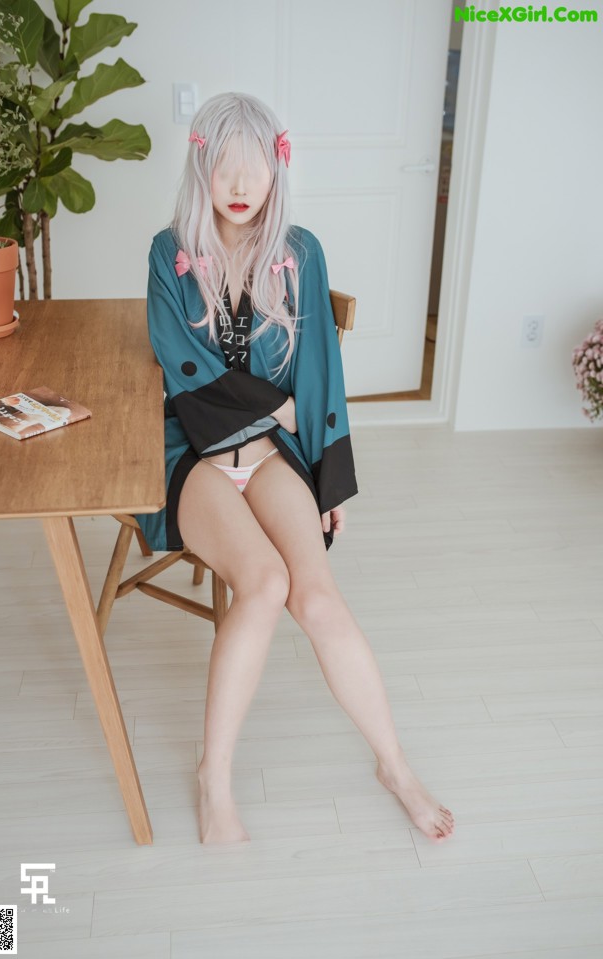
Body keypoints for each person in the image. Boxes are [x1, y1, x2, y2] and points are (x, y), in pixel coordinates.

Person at [135, 92, 455, 845]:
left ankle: (395, 765)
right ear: (201, 168)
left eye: (256, 168)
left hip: (274, 457)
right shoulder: (167, 251)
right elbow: (185, 371)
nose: (241, 185)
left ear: (277, 171)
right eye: (225, 168)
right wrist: (275, 409)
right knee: (265, 581)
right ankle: (215, 777)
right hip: (195, 452)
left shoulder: (300, 252)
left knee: (316, 598)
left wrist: (327, 476)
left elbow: (319, 376)